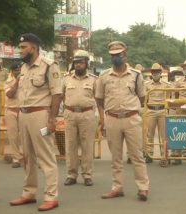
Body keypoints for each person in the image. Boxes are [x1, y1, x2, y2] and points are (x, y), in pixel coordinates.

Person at [9, 33, 62, 211]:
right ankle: (29, 193)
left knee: (46, 156)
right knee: (27, 157)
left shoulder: (49, 66)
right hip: (23, 116)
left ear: (34, 47)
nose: (20, 50)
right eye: (20, 47)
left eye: (24, 47)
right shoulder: (24, 68)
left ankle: (51, 196)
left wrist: (52, 119)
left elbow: (57, 94)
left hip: (41, 116)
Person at [96, 41, 150, 201]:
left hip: (132, 118)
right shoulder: (104, 76)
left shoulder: (136, 75)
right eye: (113, 55)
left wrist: (129, 109)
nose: (116, 58)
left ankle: (143, 188)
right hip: (112, 118)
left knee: (137, 155)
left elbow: (142, 97)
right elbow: (99, 98)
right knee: (116, 157)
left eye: (119, 55)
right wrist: (108, 114)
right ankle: (117, 187)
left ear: (125, 55)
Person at [63, 50, 98, 186]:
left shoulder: (94, 79)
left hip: (87, 114)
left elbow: (99, 98)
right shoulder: (66, 78)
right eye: (76, 62)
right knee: (70, 145)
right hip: (70, 114)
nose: (78, 65)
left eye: (81, 62)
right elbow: (60, 96)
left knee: (87, 145)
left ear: (86, 63)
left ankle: (87, 174)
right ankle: (71, 174)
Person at [143, 63, 170, 164]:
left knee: (164, 135)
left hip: (162, 110)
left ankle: (164, 156)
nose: (155, 74)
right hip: (150, 110)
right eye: (153, 72)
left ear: (160, 73)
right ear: (151, 73)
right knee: (149, 134)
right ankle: (149, 154)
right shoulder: (146, 85)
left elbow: (169, 97)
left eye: (157, 72)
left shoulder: (166, 85)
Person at [4, 62, 24, 168]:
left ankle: (28, 158)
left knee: (26, 135)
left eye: (19, 69)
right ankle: (16, 158)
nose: (18, 71)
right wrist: (16, 81)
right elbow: (10, 94)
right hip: (11, 111)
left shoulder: (26, 81)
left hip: (23, 111)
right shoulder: (8, 82)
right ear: (12, 71)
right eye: (16, 70)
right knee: (13, 136)